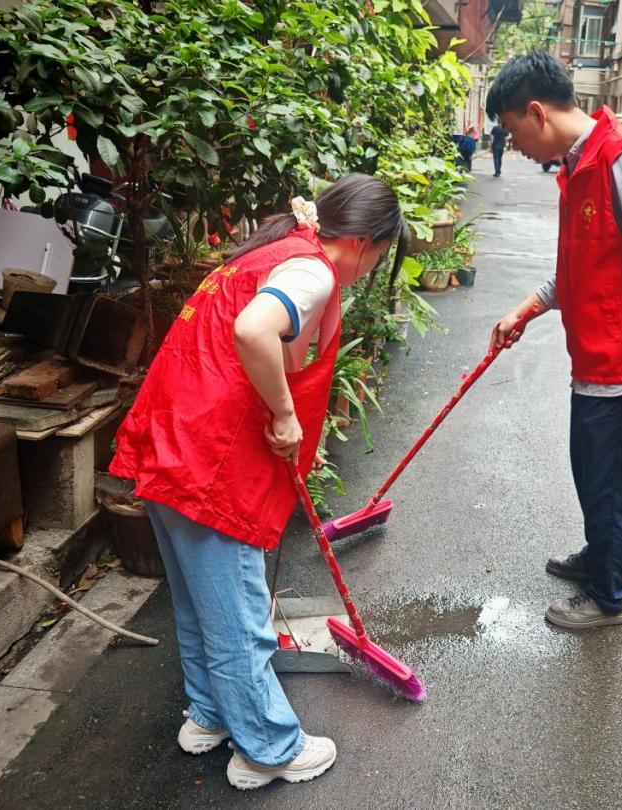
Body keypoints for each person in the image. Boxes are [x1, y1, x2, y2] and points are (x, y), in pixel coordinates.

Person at [108, 174, 407, 789]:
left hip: (169, 442)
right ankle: (267, 748)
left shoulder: (280, 248)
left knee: (198, 602)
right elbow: (253, 331)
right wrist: (287, 414)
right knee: (240, 613)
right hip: (209, 461)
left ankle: (212, 715)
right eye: (378, 256)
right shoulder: (314, 270)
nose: (369, 269)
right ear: (362, 241)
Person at [485, 52, 622, 630]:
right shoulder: (579, 164)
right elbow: (585, 263)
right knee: (592, 469)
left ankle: (611, 597)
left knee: (606, 480)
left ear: (537, 112)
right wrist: (529, 306)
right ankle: (600, 557)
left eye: (512, 130)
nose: (515, 144)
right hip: (597, 358)